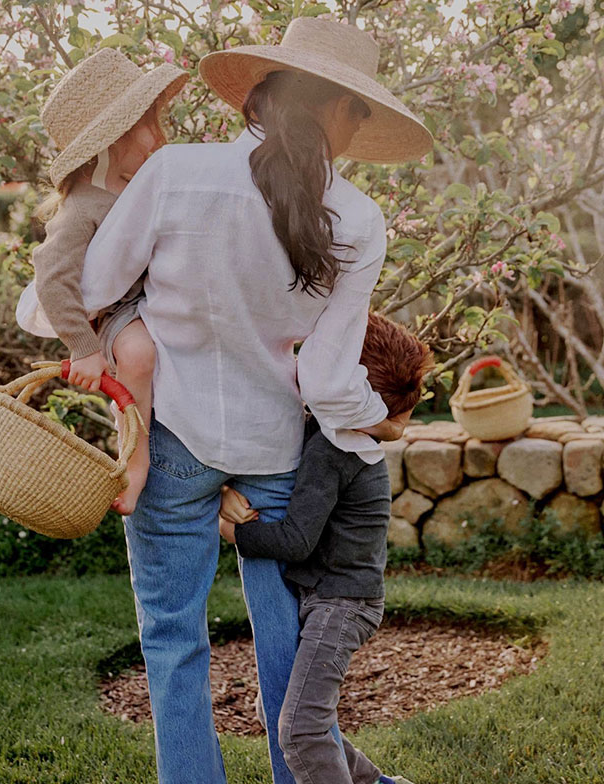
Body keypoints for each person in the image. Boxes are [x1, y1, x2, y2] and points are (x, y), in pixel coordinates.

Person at [77, 17, 433, 784]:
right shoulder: (359, 221)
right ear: (340, 111)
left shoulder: (175, 173)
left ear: (265, 97)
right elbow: (329, 384)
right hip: (278, 458)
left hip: (171, 442)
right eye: (360, 111)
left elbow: (97, 285)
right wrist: (382, 424)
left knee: (173, 642)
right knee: (288, 651)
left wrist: (143, 337)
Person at [219, 312, 434, 784]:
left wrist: (235, 533)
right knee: (277, 709)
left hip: (341, 604)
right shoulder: (346, 435)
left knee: (299, 730)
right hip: (341, 597)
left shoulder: (332, 451)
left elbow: (296, 541)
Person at [15, 48, 188, 515]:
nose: (158, 138)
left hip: (158, 299)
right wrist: (83, 346)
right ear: (111, 138)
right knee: (136, 355)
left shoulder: (142, 185)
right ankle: (133, 464)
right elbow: (52, 276)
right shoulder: (83, 207)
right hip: (118, 312)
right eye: (147, 126)